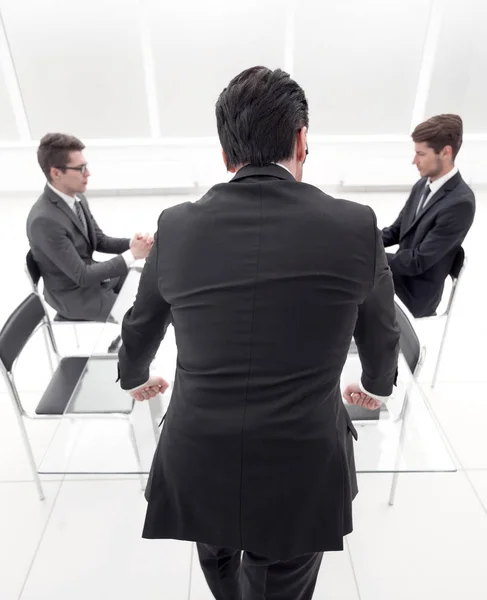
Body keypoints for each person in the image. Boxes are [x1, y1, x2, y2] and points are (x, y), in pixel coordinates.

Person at [118, 66, 399, 600]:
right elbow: (382, 329)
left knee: (218, 558)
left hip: (199, 452)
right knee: (281, 584)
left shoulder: (175, 226)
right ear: (301, 140)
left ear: (226, 155)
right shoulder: (354, 225)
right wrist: (377, 384)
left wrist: (134, 377)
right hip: (300, 461)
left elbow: (141, 324)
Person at [26, 133, 153, 322]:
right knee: (143, 316)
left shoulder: (76, 198)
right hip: (75, 296)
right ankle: (132, 349)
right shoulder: (44, 221)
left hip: (93, 278)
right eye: (80, 168)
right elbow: (82, 276)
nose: (88, 173)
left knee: (149, 283)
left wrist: (134, 244)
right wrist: (133, 254)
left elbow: (99, 240)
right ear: (56, 173)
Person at [382, 114, 475, 318]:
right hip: (398, 277)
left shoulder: (460, 203)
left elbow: (418, 261)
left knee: (346, 279)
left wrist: (368, 257)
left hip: (415, 295)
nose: (414, 161)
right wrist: (357, 239)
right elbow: (395, 232)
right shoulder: (422, 185)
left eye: (421, 154)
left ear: (445, 152)